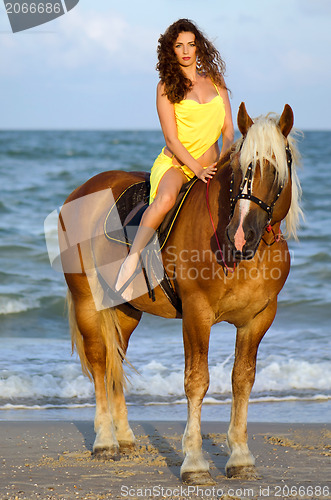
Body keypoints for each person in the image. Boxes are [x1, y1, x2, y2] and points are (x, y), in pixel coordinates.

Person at [115, 18, 234, 300]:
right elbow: (172, 140)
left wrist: (225, 160)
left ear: (198, 47)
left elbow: (229, 130)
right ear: (171, 50)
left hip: (215, 165)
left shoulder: (216, 81)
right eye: (179, 46)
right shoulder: (166, 87)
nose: (186, 51)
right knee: (166, 200)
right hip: (178, 165)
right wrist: (197, 169)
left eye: (191, 45)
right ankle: (132, 259)